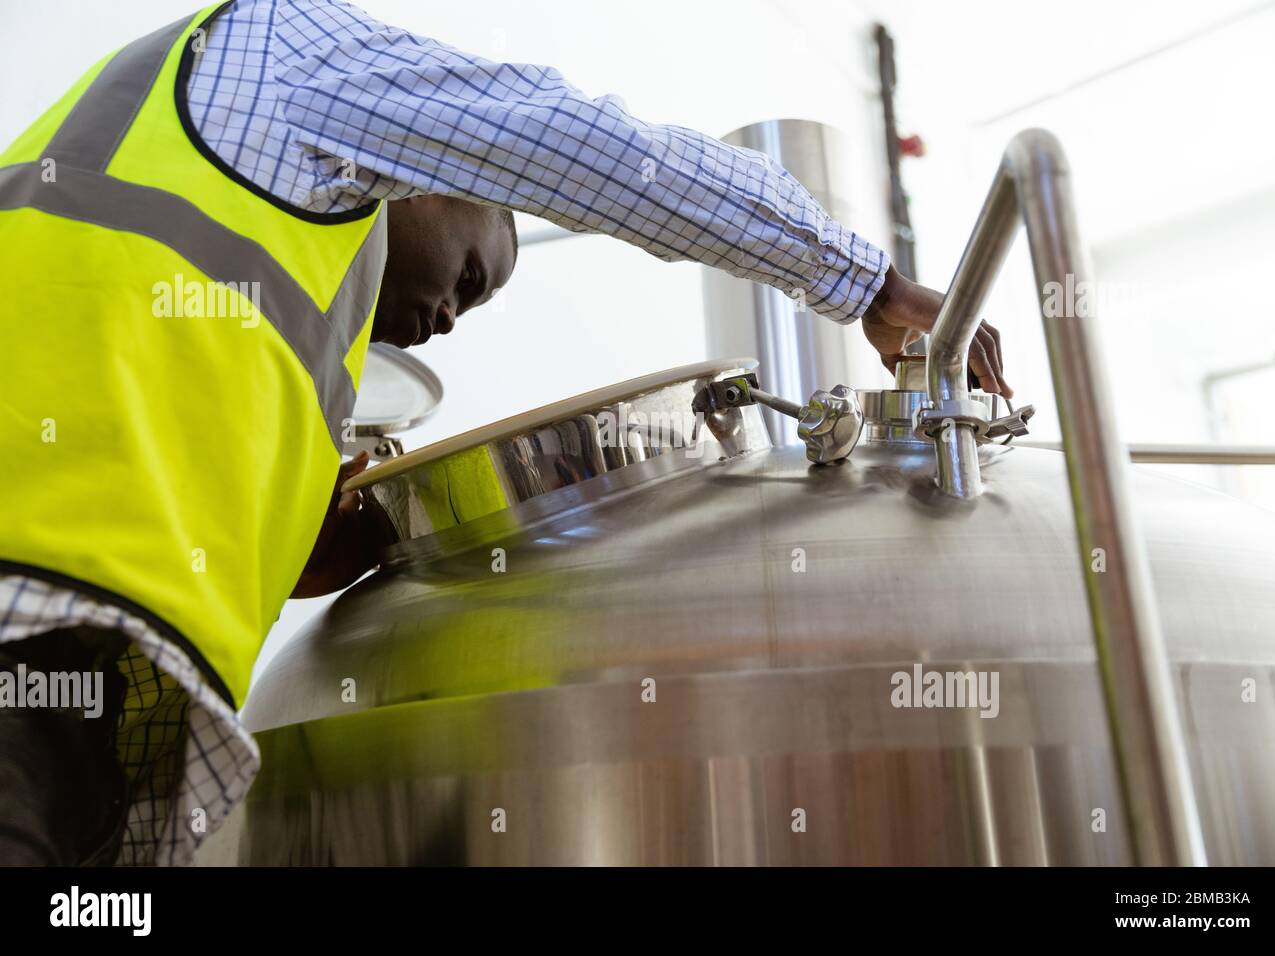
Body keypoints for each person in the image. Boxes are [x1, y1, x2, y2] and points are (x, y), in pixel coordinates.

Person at [0, 0, 1010, 866]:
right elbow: (597, 152)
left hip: (102, 699)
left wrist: (315, 540)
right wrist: (865, 283)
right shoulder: (286, 51)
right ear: (436, 170)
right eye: (474, 280)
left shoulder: (209, 260)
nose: (447, 319)